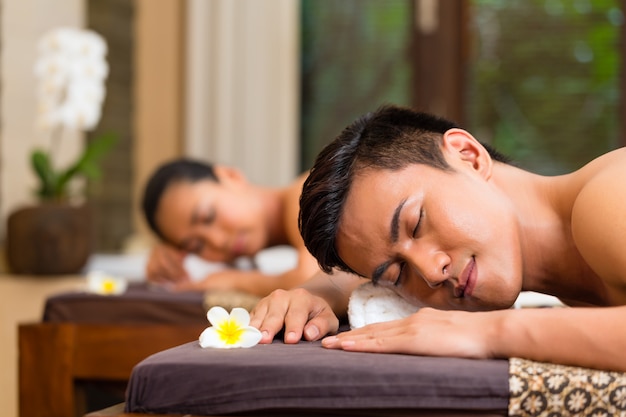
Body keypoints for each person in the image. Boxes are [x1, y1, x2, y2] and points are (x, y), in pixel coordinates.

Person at [250, 104, 626, 372]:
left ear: (468, 155)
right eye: (398, 275)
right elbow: (362, 273)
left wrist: (485, 333)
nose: (431, 272)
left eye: (415, 224)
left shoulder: (607, 199)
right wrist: (318, 295)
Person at [141, 158, 319, 296]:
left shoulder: (308, 192)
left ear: (230, 176)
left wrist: (232, 281)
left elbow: (315, 280)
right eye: (197, 246)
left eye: (208, 217)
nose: (217, 242)